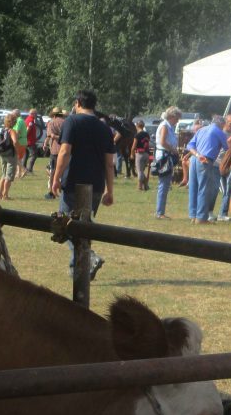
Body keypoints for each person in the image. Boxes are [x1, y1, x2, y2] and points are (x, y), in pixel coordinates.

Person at [50, 89, 116, 280]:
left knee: (65, 224)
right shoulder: (104, 128)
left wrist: (55, 178)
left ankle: (89, 258)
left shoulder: (72, 121)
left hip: (73, 182)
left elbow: (64, 152)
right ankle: (77, 268)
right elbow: (109, 163)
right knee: (82, 224)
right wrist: (109, 191)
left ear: (78, 102)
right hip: (95, 185)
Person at [186, 115, 229, 224]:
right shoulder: (219, 132)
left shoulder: (201, 130)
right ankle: (201, 218)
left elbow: (190, 145)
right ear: (221, 124)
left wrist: (196, 154)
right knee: (204, 188)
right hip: (205, 160)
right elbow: (228, 148)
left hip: (194, 158)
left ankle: (193, 215)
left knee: (193, 187)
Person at [154, 106, 181, 219]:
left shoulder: (169, 126)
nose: (177, 121)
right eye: (177, 118)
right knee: (163, 185)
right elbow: (162, 142)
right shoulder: (165, 126)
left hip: (167, 156)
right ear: (171, 117)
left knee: (165, 185)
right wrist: (173, 149)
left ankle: (160, 211)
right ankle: (160, 212)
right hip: (164, 157)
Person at [44, 107, 65, 200]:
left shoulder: (51, 122)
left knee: (53, 171)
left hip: (55, 150)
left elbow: (50, 135)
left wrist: (45, 143)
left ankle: (52, 192)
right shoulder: (65, 122)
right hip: (65, 150)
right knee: (64, 172)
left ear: (54, 114)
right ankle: (64, 191)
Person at [0, 113, 18, 200]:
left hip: (2, 154)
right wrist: (16, 150)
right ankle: (5, 195)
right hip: (10, 155)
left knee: (4, 175)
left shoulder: (3, 130)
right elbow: (15, 142)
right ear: (14, 122)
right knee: (9, 176)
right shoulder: (12, 131)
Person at [131, 119, 151, 191]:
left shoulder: (137, 135)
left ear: (137, 126)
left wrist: (132, 154)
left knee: (139, 171)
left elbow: (134, 146)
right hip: (147, 154)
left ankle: (139, 187)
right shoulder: (147, 134)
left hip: (140, 153)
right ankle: (146, 185)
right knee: (141, 171)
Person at [13, 109, 28, 179]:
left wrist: (14, 139)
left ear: (15, 114)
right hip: (24, 141)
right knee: (19, 158)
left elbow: (17, 132)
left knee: (15, 157)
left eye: (13, 114)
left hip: (19, 141)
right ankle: (18, 173)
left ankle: (24, 169)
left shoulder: (18, 121)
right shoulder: (22, 120)